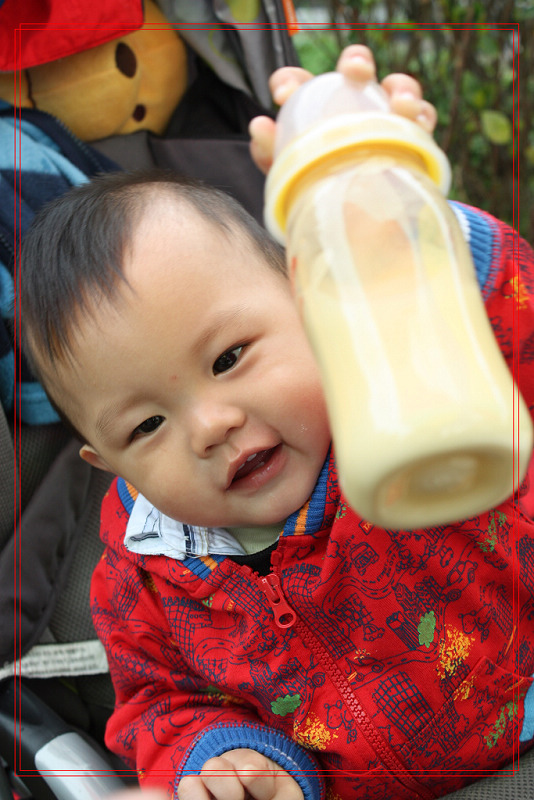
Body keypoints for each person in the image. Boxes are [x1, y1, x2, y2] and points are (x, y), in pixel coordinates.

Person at [20, 46, 534, 800]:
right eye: (147, 426)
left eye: (229, 358)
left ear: (309, 294)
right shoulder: (142, 581)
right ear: (106, 461)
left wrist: (396, 232)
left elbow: (508, 330)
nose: (211, 425)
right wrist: (225, 757)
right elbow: (160, 704)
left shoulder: (400, 396)